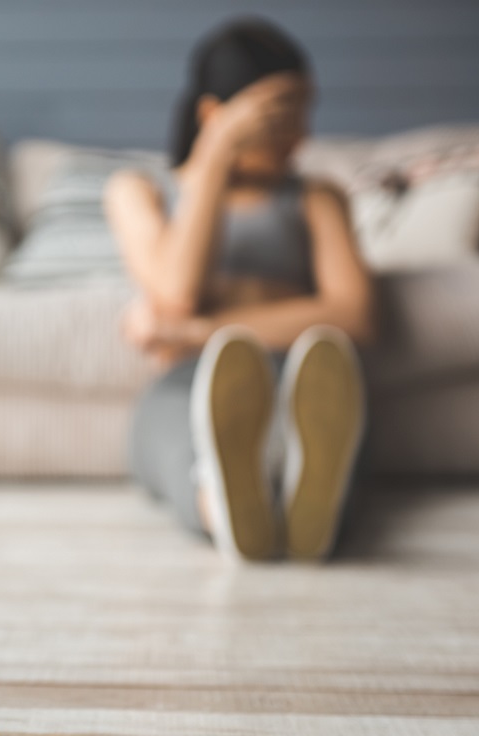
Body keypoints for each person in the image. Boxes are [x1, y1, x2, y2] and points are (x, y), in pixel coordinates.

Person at [105, 18, 374, 562]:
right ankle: (226, 507)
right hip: (190, 379)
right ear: (213, 113)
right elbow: (177, 291)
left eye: (305, 111)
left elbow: (354, 316)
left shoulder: (316, 197)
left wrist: (202, 330)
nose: (301, 136)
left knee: (323, 424)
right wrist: (215, 156)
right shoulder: (140, 190)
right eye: (280, 115)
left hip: (305, 371)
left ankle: (299, 500)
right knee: (176, 430)